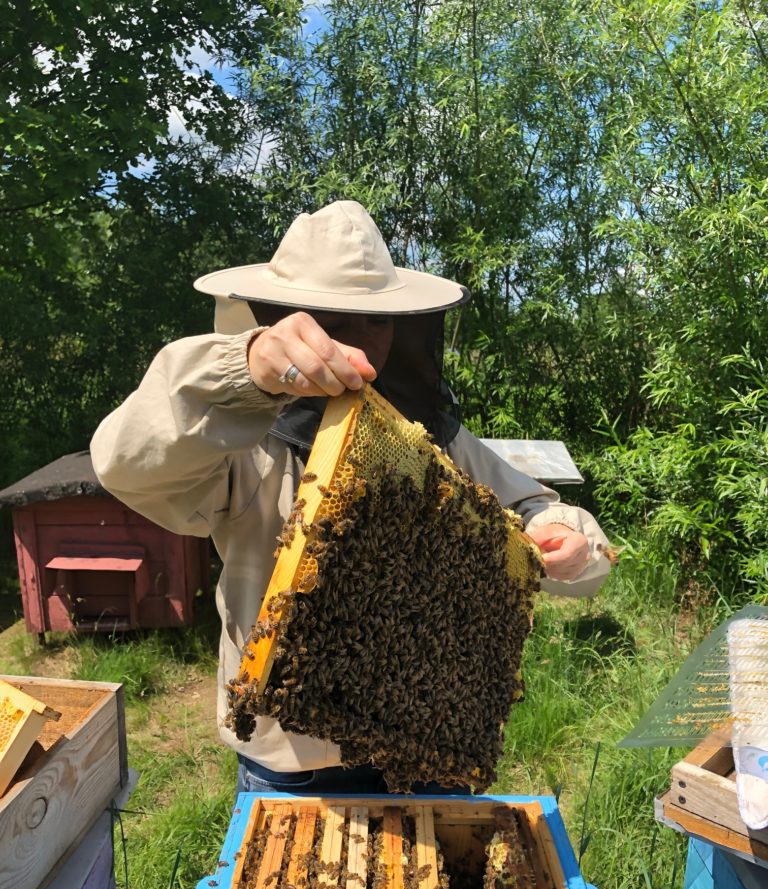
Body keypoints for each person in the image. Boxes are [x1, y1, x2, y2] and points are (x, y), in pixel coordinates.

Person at [91, 200, 612, 795]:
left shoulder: (431, 441)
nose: (359, 339)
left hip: (426, 753)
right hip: (294, 766)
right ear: (277, 315)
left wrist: (570, 539)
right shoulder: (239, 444)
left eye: (378, 321)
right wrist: (244, 371)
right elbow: (126, 465)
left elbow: (544, 519)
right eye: (332, 318)